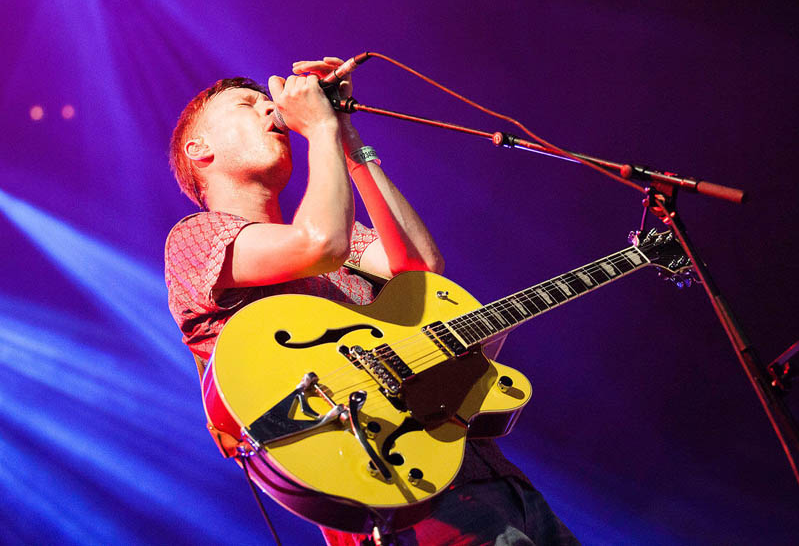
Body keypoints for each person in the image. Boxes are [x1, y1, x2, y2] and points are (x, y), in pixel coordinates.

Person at [164, 56, 578, 545]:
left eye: (266, 100)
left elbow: (420, 265)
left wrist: (344, 133)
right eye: (248, 103)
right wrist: (317, 129)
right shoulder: (195, 237)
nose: (270, 108)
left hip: (485, 474)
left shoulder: (344, 238)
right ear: (199, 148)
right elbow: (320, 244)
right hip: (401, 500)